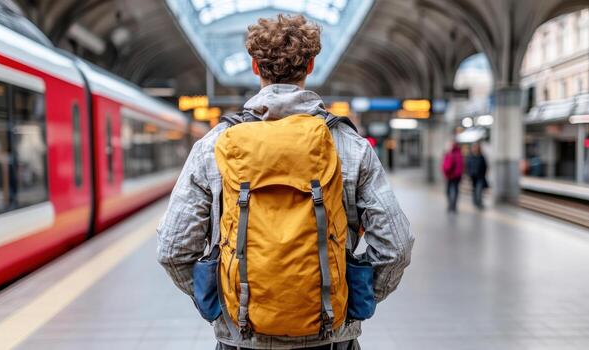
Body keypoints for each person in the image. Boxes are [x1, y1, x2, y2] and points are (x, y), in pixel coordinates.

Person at [157, 14, 414, 350]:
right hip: (330, 339)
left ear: (254, 66)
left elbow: (173, 249)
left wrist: (224, 307)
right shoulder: (349, 147)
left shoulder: (214, 145)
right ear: (310, 65)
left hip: (241, 338)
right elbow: (396, 246)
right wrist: (349, 305)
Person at [442, 142, 464, 212]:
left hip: (450, 176)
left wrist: (445, 173)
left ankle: (450, 204)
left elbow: (444, 165)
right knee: (455, 190)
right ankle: (453, 205)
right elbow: (462, 166)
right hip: (456, 176)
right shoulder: (459, 154)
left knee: (448, 190)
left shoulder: (449, 154)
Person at [466, 143, 488, 209]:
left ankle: (479, 202)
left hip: (480, 176)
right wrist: (469, 174)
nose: (475, 149)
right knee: (474, 190)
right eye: (474, 147)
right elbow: (468, 166)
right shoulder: (470, 156)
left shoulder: (481, 156)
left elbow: (485, 166)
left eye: (476, 147)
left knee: (479, 190)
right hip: (473, 177)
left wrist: (483, 174)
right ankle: (475, 202)